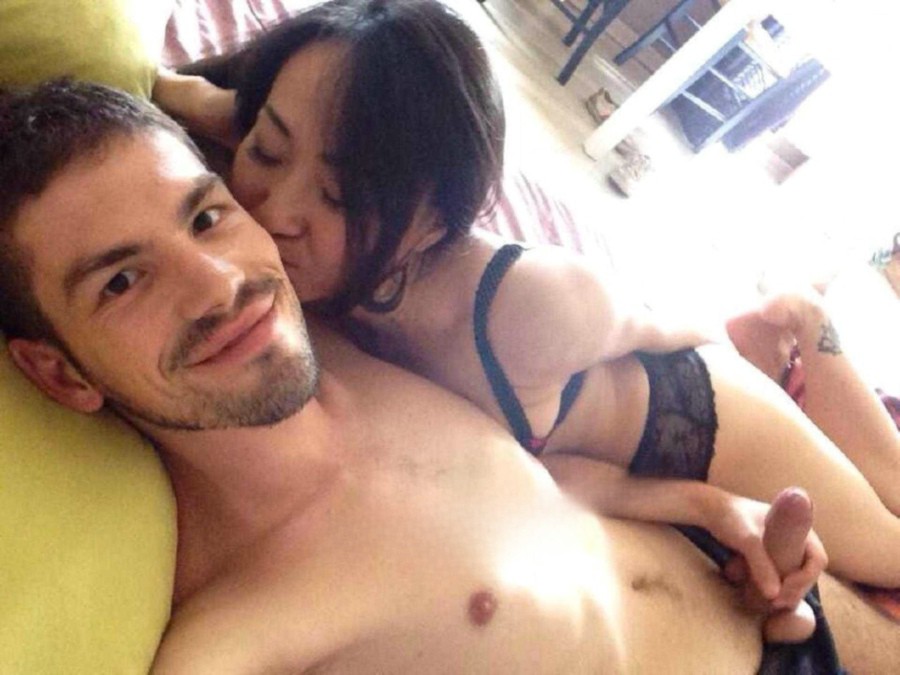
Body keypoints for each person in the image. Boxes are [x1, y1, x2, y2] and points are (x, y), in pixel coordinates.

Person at [6, 78, 899, 673]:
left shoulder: (332, 333)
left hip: (744, 566)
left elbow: (517, 497)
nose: (217, 284)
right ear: (59, 373)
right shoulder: (237, 633)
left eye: (206, 218)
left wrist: (708, 508)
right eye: (122, 281)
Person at [153, 0, 900, 614]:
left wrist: (715, 460)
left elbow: (666, 329)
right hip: (581, 435)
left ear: (434, 223)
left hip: (702, 414)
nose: (274, 213)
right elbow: (185, 100)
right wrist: (708, 510)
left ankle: (803, 317)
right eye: (267, 151)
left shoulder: (533, 309)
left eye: (340, 197)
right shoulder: (278, 173)